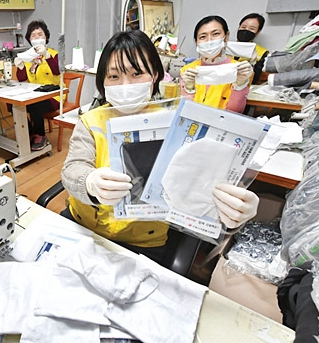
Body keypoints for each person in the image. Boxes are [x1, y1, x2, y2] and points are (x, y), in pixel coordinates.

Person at [61, 29, 259, 267]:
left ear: (155, 75)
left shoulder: (178, 124)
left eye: (136, 73)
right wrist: (89, 182)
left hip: (142, 243)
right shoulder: (91, 120)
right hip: (82, 226)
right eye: (114, 77)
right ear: (102, 80)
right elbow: (72, 169)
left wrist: (231, 213)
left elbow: (201, 189)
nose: (125, 85)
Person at [180, 15, 254, 113]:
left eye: (215, 34)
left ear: (226, 36)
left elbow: (235, 111)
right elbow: (185, 110)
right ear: (196, 42)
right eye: (203, 37)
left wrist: (240, 85)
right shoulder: (188, 70)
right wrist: (188, 89)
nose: (209, 40)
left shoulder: (237, 70)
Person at [13, 20, 61, 151]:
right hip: (34, 93)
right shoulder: (28, 56)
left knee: (34, 104)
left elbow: (57, 70)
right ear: (29, 39)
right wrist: (21, 66)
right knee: (12, 103)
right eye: (33, 35)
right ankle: (30, 131)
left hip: (54, 96)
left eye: (40, 34)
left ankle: (41, 135)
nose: (37, 38)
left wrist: (47, 55)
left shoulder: (54, 54)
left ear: (46, 37)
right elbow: (22, 79)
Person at [236, 13, 269, 84]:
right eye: (243, 27)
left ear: (258, 32)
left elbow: (256, 79)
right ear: (239, 27)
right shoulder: (225, 47)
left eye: (252, 28)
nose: (246, 30)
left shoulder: (261, 52)